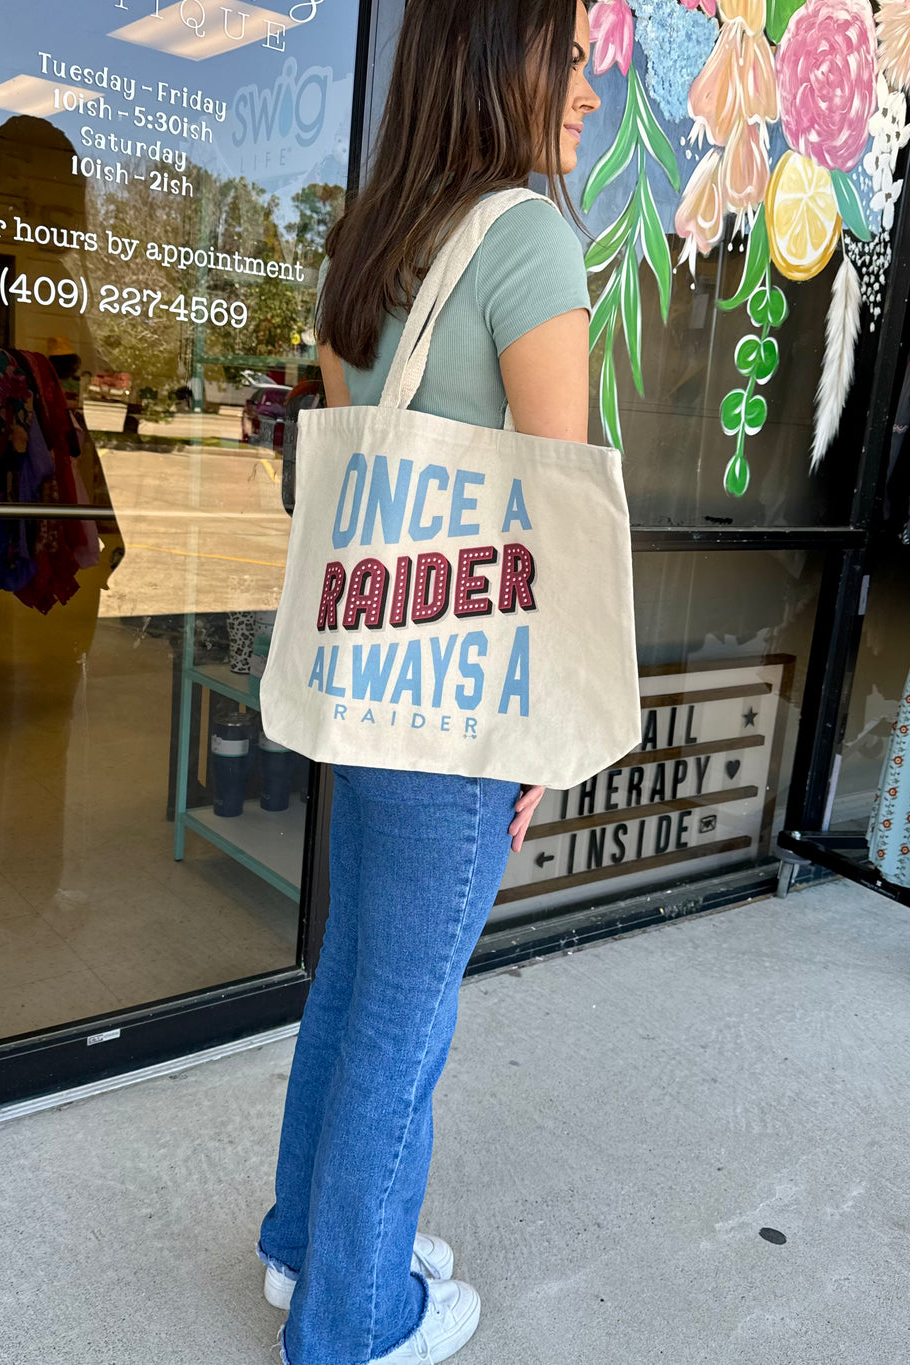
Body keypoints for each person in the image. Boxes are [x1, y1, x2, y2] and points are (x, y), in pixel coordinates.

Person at [257, 1, 600, 1360]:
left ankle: (307, 1247)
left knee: (352, 985)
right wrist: (541, 741)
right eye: (572, 58)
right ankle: (353, 1318)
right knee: (405, 1019)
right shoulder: (528, 240)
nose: (586, 92)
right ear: (505, 60)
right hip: (457, 708)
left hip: (362, 686)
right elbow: (557, 525)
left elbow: (352, 477)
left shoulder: (365, 241)